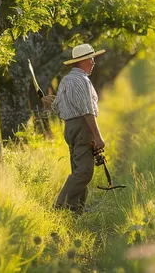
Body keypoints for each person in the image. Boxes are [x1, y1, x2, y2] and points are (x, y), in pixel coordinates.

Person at [42, 43, 106, 214]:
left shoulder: (66, 80)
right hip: (82, 127)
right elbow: (87, 111)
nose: (93, 62)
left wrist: (51, 101)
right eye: (91, 59)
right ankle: (60, 206)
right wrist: (97, 136)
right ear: (82, 61)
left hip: (70, 128)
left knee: (78, 169)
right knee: (84, 172)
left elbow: (59, 107)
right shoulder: (82, 81)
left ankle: (75, 209)